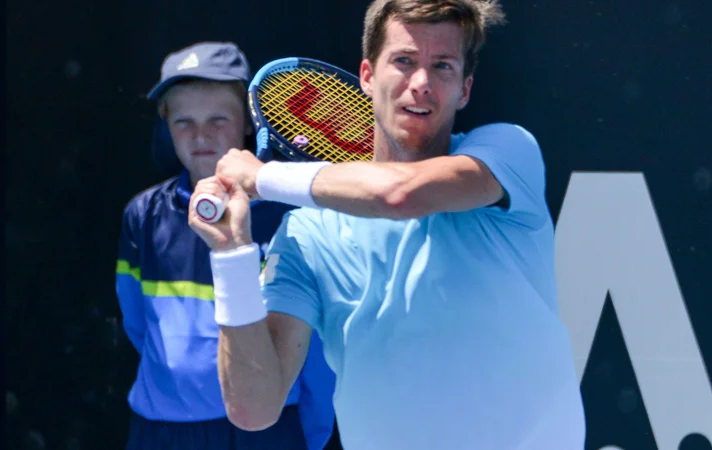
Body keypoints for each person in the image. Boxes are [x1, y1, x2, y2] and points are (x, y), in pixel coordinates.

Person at [188, 1, 586, 449]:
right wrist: (231, 254)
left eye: (443, 67)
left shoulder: (507, 152)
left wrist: (262, 178)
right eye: (404, 61)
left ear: (465, 88)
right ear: (367, 76)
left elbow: (400, 196)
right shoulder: (308, 235)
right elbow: (254, 409)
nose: (422, 84)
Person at [115, 41, 336, 450]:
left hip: (269, 430)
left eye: (218, 118)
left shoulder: (293, 215)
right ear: (165, 124)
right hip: (161, 431)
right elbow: (139, 327)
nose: (200, 135)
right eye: (183, 121)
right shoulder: (141, 216)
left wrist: (312, 433)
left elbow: (314, 350)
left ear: (249, 123)